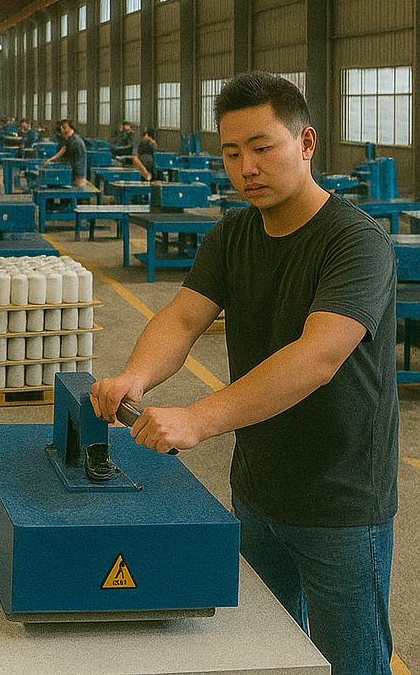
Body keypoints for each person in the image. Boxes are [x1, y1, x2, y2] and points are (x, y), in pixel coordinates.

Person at [90, 72, 398, 675]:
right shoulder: (233, 235)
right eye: (231, 153)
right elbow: (181, 319)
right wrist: (135, 377)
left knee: (352, 660)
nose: (246, 167)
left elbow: (319, 356)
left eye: (263, 148)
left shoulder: (356, 242)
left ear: (306, 144)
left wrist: (198, 419)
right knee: (267, 654)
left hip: (339, 499)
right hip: (256, 489)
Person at [47, 118, 88, 186]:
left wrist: (78, 179)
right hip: (72, 174)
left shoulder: (76, 142)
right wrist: (51, 160)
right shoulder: (70, 140)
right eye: (61, 128)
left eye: (64, 128)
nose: (62, 130)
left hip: (77, 177)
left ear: (71, 128)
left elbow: (79, 164)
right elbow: (63, 150)